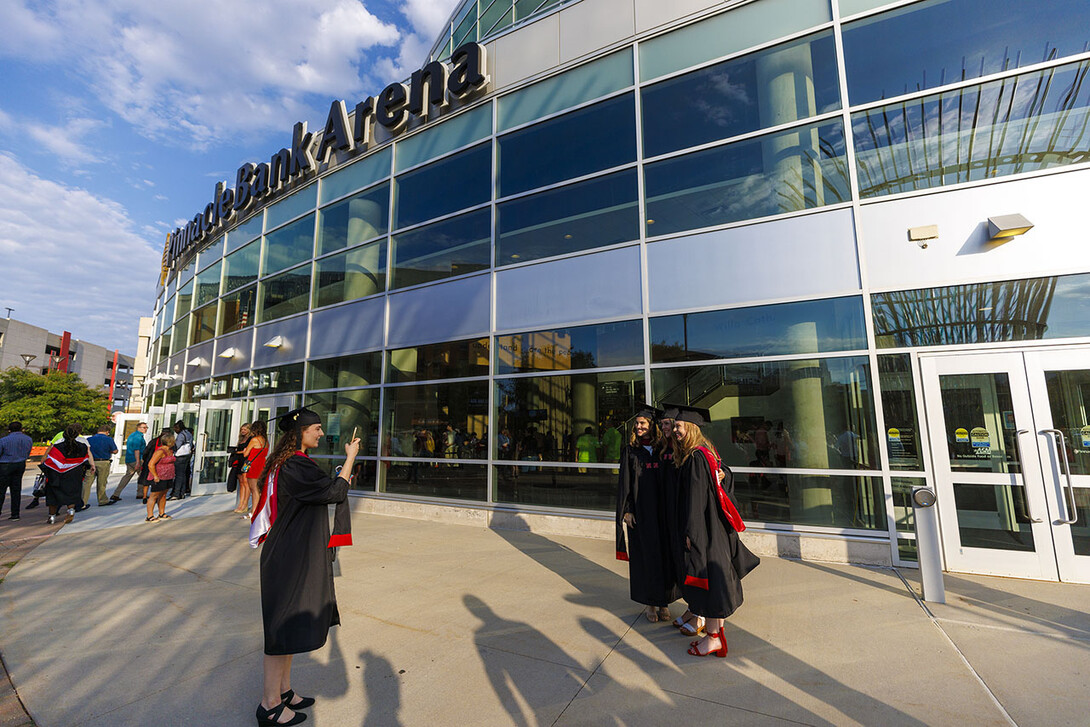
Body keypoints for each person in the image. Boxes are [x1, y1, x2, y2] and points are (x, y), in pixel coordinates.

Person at [249, 407, 357, 727]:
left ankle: (284, 691)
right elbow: (334, 491)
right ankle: (269, 704)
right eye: (317, 428)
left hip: (292, 551)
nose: (321, 434)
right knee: (281, 629)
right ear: (300, 433)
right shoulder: (295, 464)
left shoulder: (290, 463)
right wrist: (350, 457)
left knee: (292, 624)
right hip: (288, 555)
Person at [672, 404, 760, 658]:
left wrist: (691, 535)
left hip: (705, 532)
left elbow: (696, 500)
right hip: (713, 529)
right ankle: (716, 636)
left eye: (679, 426)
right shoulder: (706, 452)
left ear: (690, 428)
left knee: (708, 584)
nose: (675, 430)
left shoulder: (696, 457)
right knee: (716, 582)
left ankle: (712, 638)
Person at [616, 406, 679, 624]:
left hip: (663, 512)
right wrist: (627, 510)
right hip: (641, 513)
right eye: (637, 423)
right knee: (646, 557)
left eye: (643, 423)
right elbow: (624, 482)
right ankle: (650, 603)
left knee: (664, 555)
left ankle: (664, 602)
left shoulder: (664, 448)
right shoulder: (631, 450)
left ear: (652, 425)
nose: (639, 426)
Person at [41, 425, 91, 525]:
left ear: (64, 435)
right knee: (71, 494)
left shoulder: (58, 447)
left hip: (57, 475)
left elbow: (49, 462)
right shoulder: (82, 447)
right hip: (74, 475)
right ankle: (71, 510)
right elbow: (85, 462)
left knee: (53, 497)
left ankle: (51, 517)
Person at [0, 422, 34, 520]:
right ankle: (15, 513)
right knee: (16, 489)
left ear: (9, 430)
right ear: (21, 429)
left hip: (5, 464)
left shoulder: (4, 440)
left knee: (1, 489)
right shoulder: (28, 439)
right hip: (20, 464)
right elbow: (28, 452)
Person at [236, 420, 268, 517]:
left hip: (253, 465)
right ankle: (256, 510)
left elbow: (246, 454)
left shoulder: (255, 440)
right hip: (261, 464)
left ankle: (254, 511)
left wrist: (245, 450)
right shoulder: (266, 441)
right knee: (257, 489)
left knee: (254, 490)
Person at [110, 422, 148, 502]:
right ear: (138, 428)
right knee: (142, 476)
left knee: (127, 476)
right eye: (144, 427)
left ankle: (116, 494)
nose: (146, 429)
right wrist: (138, 462)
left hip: (129, 459)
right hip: (136, 459)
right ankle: (140, 493)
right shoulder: (138, 437)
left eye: (146, 427)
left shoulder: (132, 435)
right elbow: (136, 450)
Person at [146, 432, 176, 521]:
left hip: (168, 476)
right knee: (154, 495)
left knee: (163, 495)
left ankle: (161, 513)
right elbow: (150, 464)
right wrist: (155, 476)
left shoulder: (170, 450)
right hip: (159, 476)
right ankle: (149, 516)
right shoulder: (160, 451)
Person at [87, 424, 118, 507]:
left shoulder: (89, 439)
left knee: (87, 483)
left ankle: (83, 502)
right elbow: (115, 450)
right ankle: (102, 500)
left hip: (90, 462)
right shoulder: (108, 439)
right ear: (107, 432)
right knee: (102, 482)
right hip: (103, 462)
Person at [138, 429, 171, 504]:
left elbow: (146, 451)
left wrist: (144, 460)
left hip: (149, 461)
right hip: (159, 464)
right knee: (156, 481)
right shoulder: (167, 445)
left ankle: (144, 496)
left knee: (146, 481)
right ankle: (156, 496)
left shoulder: (154, 441)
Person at [227, 423, 252, 508]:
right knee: (241, 483)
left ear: (249, 430)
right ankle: (240, 503)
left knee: (245, 482)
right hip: (239, 461)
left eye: (245, 429)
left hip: (246, 462)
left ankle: (245, 504)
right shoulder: (241, 439)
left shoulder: (251, 439)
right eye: (242, 429)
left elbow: (247, 451)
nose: (243, 431)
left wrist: (237, 452)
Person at [170, 421, 194, 500]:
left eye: (176, 428)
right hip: (187, 455)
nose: (175, 430)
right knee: (183, 474)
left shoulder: (181, 435)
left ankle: (176, 493)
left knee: (179, 475)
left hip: (180, 456)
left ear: (179, 428)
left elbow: (177, 446)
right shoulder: (188, 433)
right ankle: (182, 492)